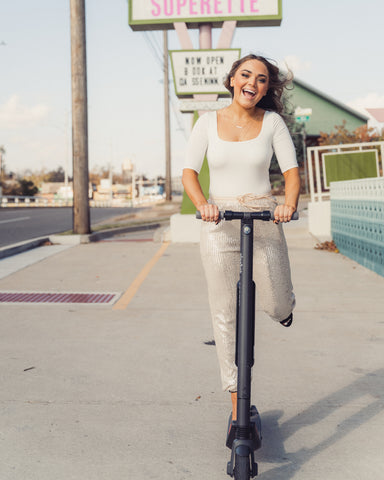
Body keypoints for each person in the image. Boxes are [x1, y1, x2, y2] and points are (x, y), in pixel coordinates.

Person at [182, 54, 300, 421]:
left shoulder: (273, 123)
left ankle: (284, 308)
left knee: (278, 304)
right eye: (246, 75)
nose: (253, 82)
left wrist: (287, 204)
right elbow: (188, 174)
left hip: (264, 215)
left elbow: (292, 174)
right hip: (219, 221)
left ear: (266, 88)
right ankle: (237, 407)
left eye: (262, 79)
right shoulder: (206, 123)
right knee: (223, 313)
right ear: (233, 79)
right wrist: (203, 205)